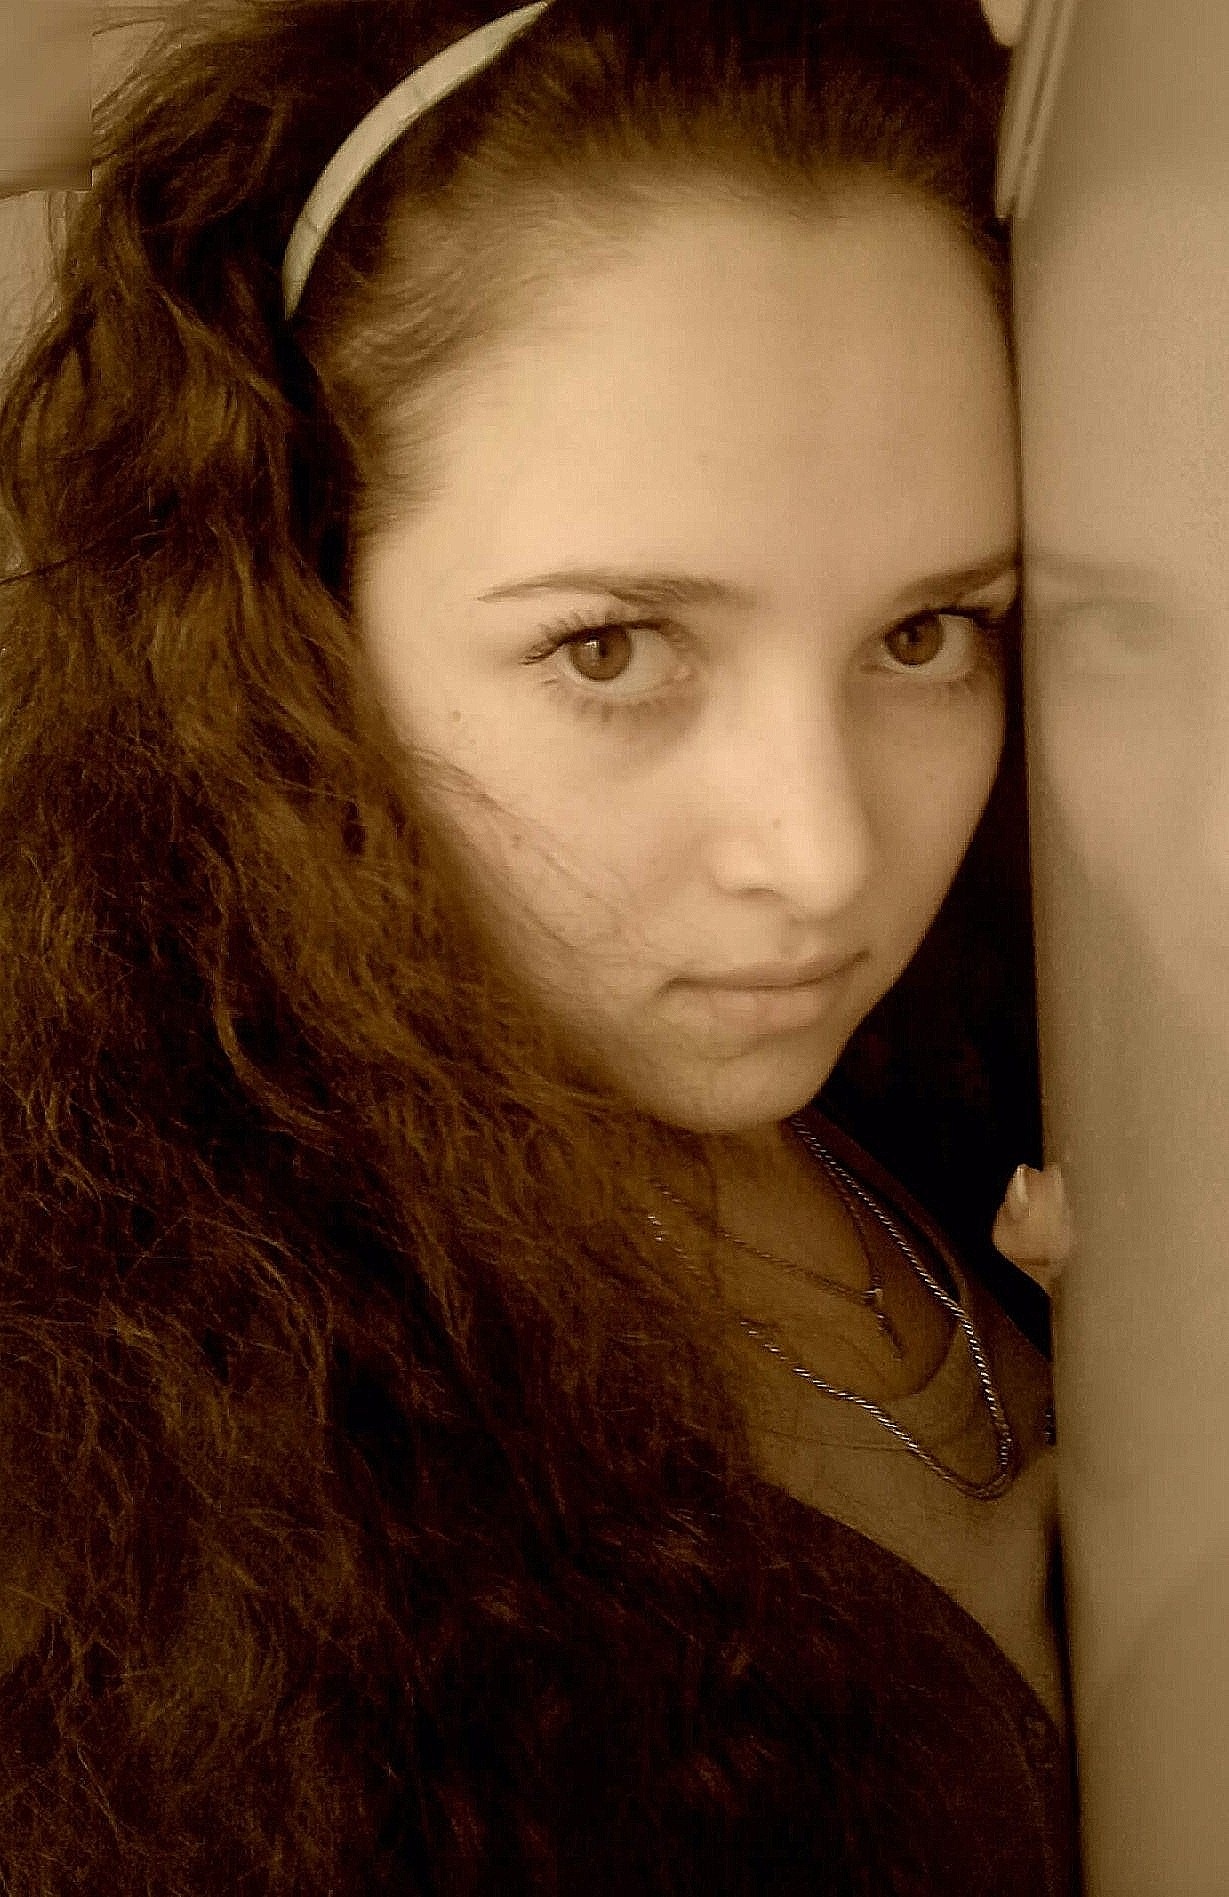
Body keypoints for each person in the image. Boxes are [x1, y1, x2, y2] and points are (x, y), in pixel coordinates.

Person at [0, 0, 1078, 1889]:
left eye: (923, 634)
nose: (822, 856)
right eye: (610, 648)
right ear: (297, 618)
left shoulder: (985, 1051)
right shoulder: (150, 1444)